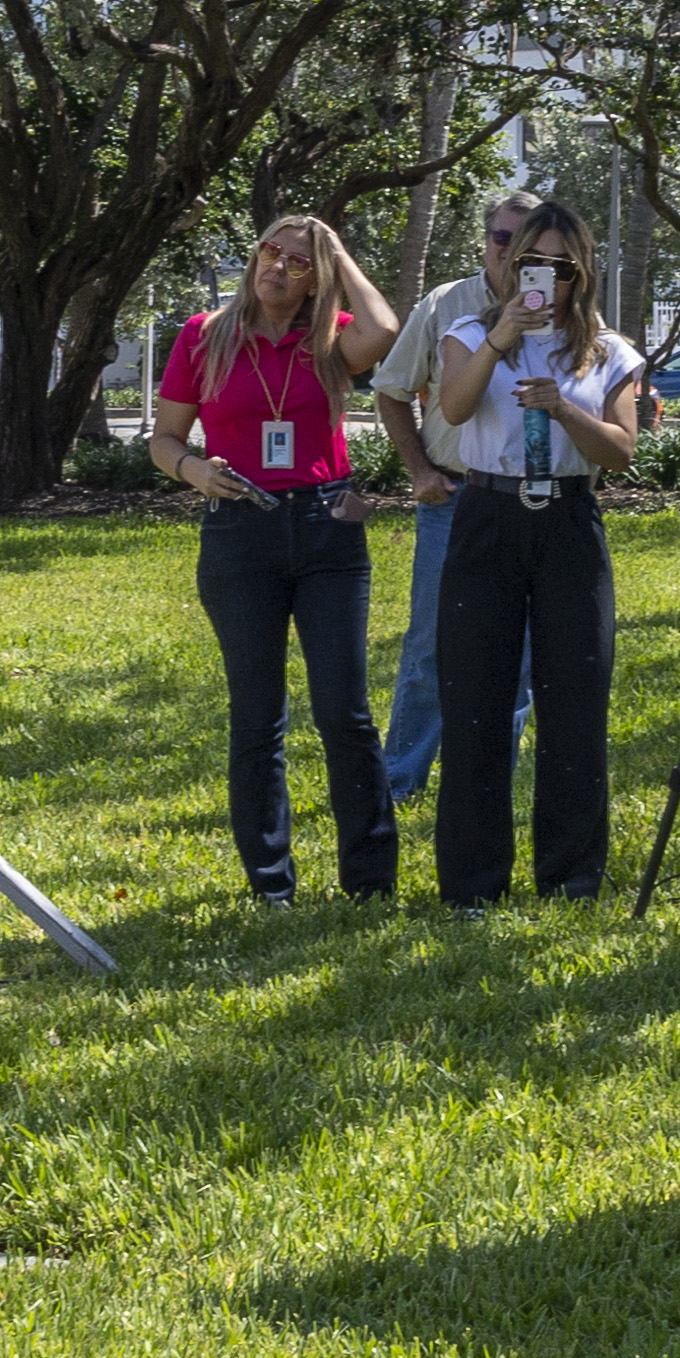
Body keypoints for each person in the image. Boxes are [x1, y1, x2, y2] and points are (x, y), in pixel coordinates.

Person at [151, 215, 400, 901]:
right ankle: (271, 887)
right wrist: (194, 471)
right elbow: (165, 439)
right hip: (239, 529)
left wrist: (339, 251)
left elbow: (384, 330)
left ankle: (371, 884)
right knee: (257, 718)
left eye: (298, 260)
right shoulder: (203, 337)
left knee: (344, 713)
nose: (278, 266)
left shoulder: (328, 337)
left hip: (329, 528)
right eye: (271, 251)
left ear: (317, 276)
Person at [429, 196, 647, 907]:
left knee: (575, 703)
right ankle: (472, 884)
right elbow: (455, 410)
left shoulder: (608, 352)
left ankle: (571, 879)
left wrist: (563, 408)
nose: (541, 277)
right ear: (507, 261)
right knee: (474, 702)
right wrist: (501, 338)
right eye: (530, 260)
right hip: (487, 514)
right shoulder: (467, 332)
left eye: (558, 265)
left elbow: (619, 453)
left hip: (568, 519)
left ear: (579, 272)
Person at [368, 192, 538, 804]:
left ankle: (490, 782)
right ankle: (400, 781)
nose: (512, 250)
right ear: (484, 240)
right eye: (501, 237)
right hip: (455, 499)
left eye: (528, 239)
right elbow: (391, 389)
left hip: (532, 501)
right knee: (431, 647)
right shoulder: (445, 304)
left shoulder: (567, 308)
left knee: (516, 657)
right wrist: (419, 470)